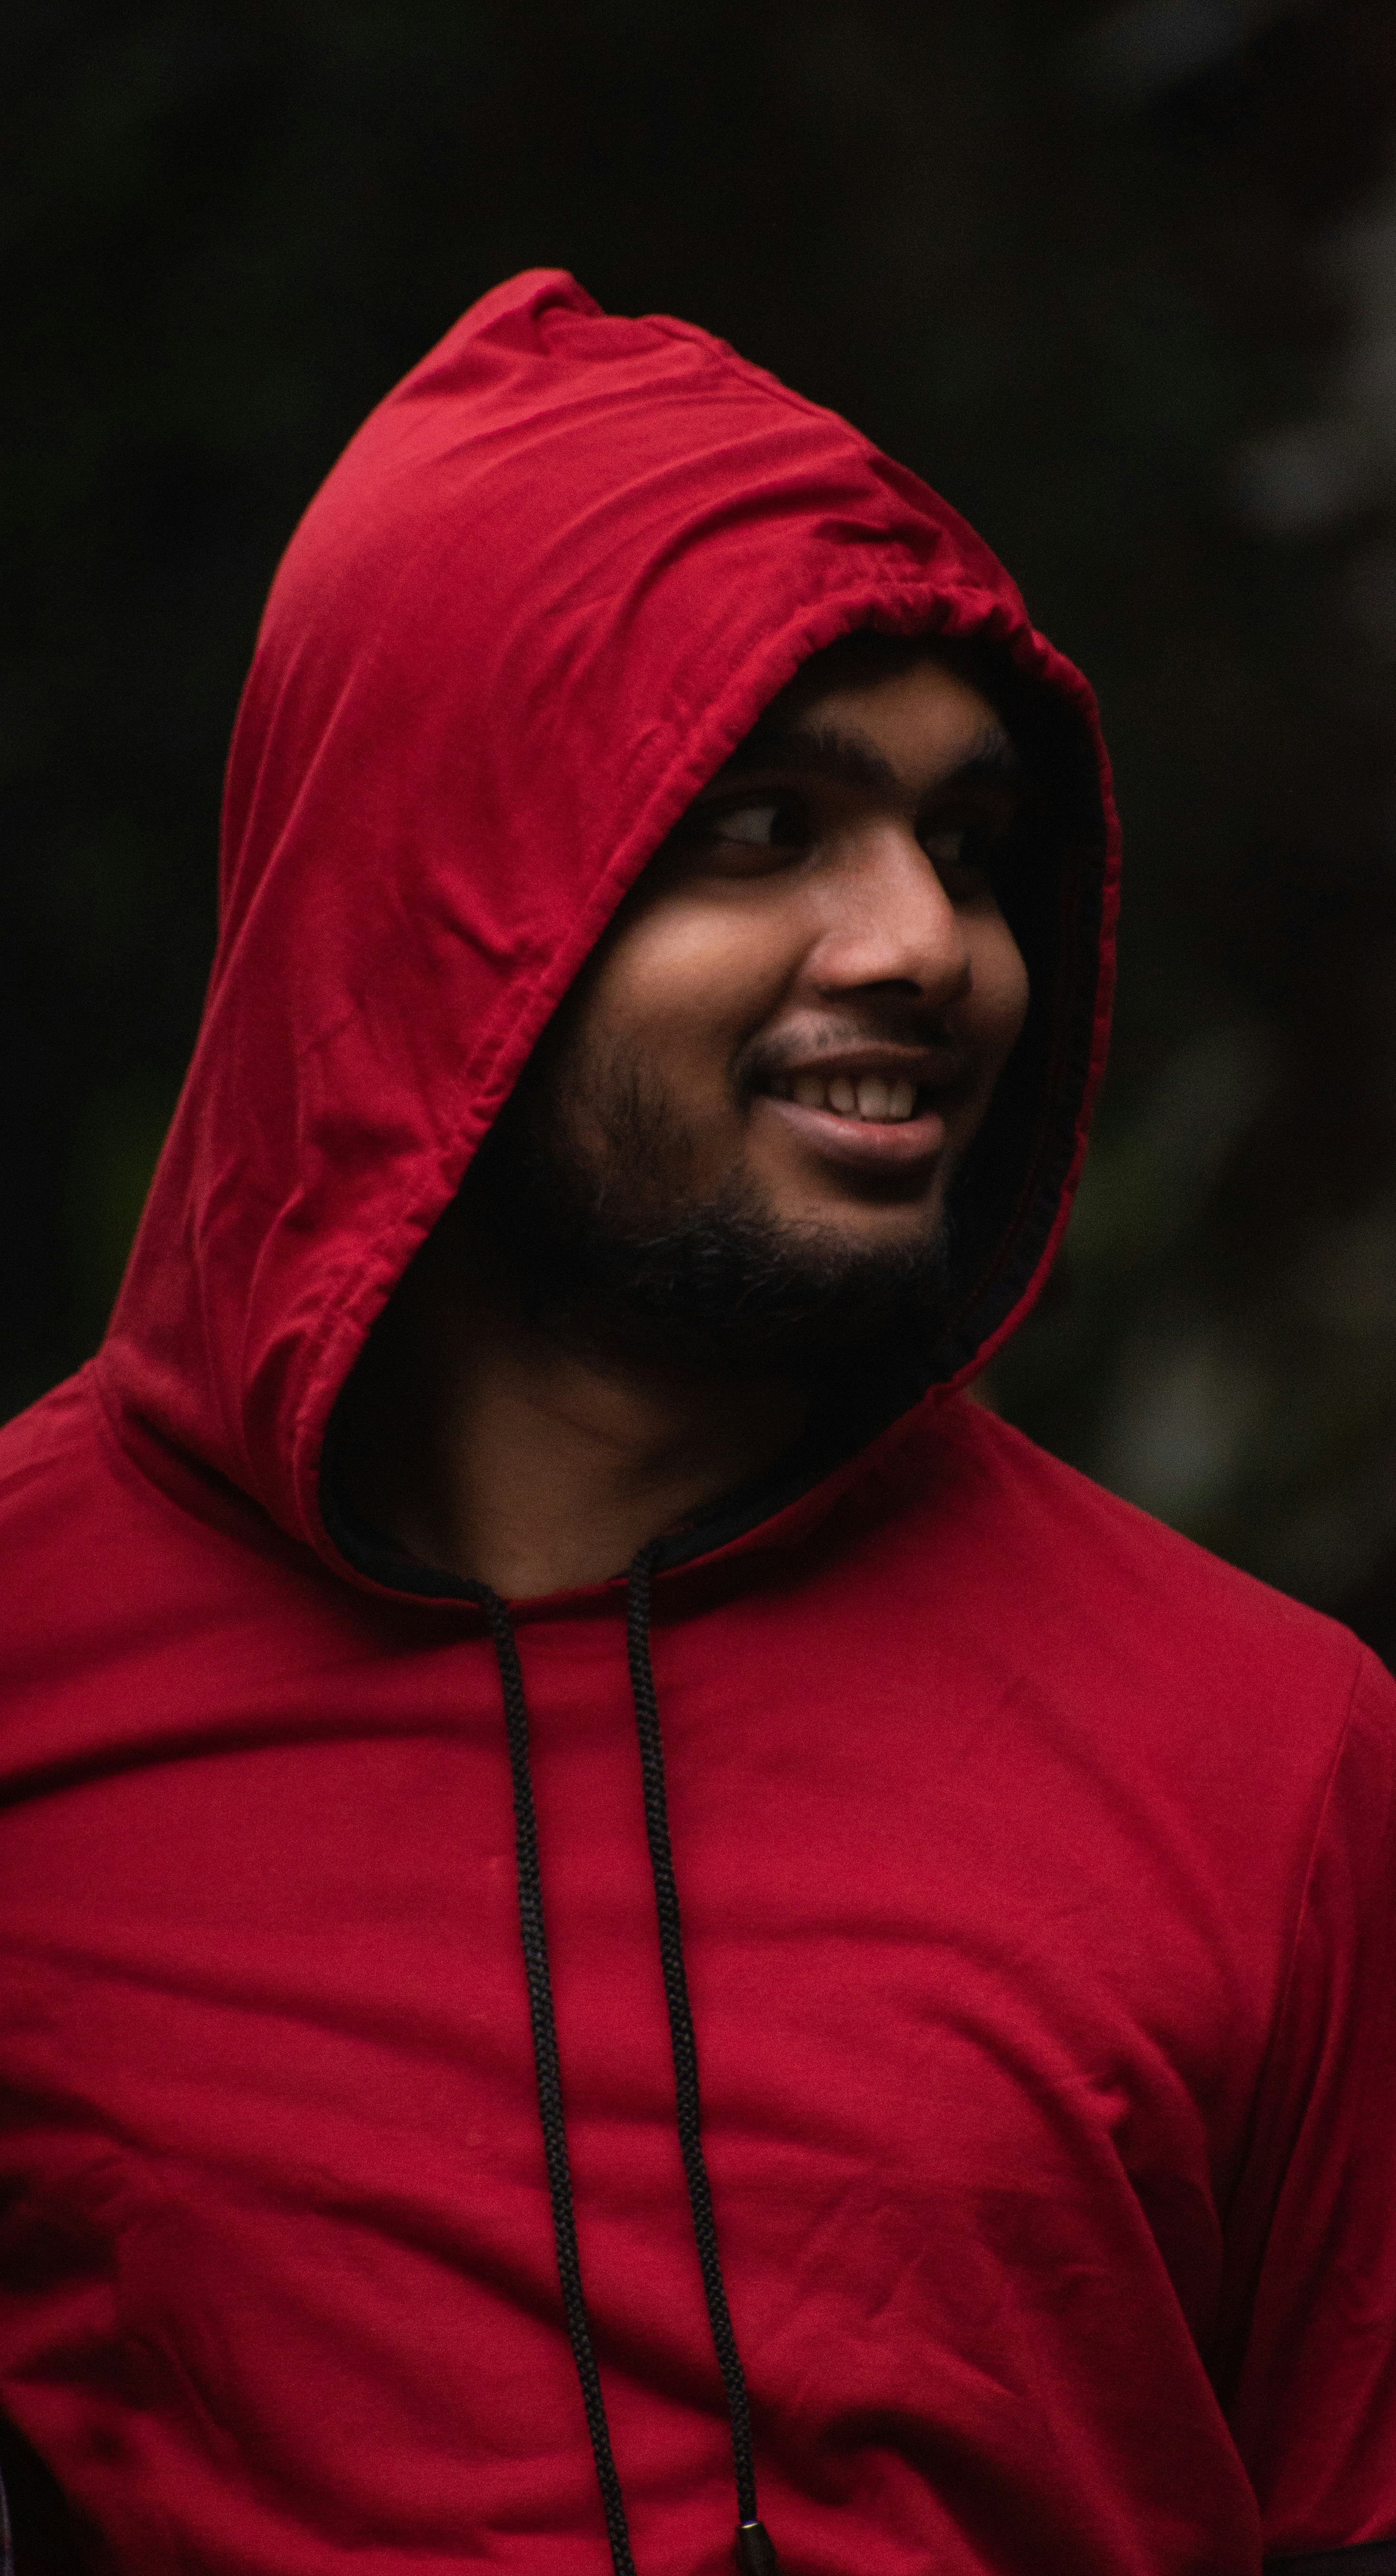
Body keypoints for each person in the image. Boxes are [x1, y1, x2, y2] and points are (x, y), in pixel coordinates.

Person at [0, 269, 1393, 2576]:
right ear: (439, 902)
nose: (928, 944)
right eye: (763, 826)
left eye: (965, 844)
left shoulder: (1272, 1757)